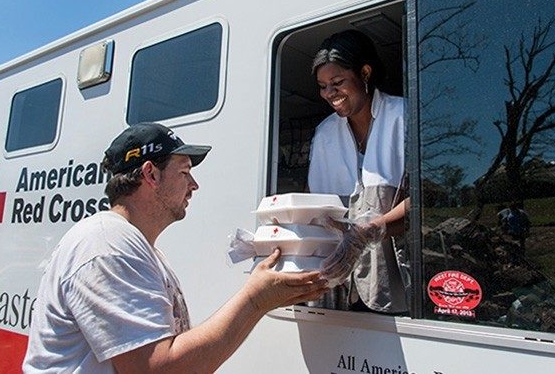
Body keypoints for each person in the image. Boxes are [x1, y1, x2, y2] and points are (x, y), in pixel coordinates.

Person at [23, 123, 329, 373]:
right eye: (184, 172)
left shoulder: (137, 246)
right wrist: (255, 301)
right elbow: (158, 369)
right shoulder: (107, 245)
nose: (193, 185)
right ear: (150, 175)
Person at [308, 30, 410, 314]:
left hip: (393, 285)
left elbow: (426, 200)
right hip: (339, 286)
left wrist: (368, 232)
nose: (330, 94)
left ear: (365, 73)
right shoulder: (325, 134)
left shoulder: (402, 117)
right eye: (323, 86)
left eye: (337, 82)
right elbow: (316, 207)